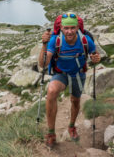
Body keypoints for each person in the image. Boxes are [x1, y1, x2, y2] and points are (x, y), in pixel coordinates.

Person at [38, 13, 101, 148]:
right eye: (66, 28)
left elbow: (94, 55)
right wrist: (44, 44)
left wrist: (96, 59)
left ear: (77, 27)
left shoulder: (85, 40)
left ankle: (71, 126)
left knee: (75, 100)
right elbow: (43, 64)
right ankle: (51, 133)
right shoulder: (55, 40)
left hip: (78, 74)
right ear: (61, 28)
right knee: (51, 91)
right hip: (61, 74)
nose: (69, 31)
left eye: (73, 28)